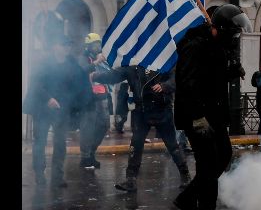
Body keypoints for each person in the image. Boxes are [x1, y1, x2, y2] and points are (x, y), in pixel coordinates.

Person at [173, 4, 252, 210]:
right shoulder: (194, 46)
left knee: (223, 156)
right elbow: (188, 85)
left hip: (214, 114)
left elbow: (211, 79)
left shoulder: (216, 45)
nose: (235, 37)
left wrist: (231, 72)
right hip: (197, 116)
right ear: (221, 28)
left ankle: (191, 201)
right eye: (233, 32)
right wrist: (198, 119)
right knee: (208, 162)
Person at [90, 65, 191, 192]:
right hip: (141, 109)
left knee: (172, 145)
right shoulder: (134, 64)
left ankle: (185, 176)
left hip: (162, 109)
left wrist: (165, 86)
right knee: (136, 144)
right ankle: (130, 180)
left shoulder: (164, 58)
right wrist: (96, 76)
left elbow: (177, 76)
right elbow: (115, 75)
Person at [23, 36, 92, 187]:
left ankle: (57, 176)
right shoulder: (44, 63)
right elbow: (35, 83)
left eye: (68, 45)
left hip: (61, 110)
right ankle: (40, 173)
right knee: (40, 142)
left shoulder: (71, 63)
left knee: (60, 143)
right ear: (55, 46)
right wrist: (48, 99)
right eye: (63, 45)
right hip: (42, 109)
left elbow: (80, 80)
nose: (66, 48)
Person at [78, 33, 113, 170]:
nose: (98, 46)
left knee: (104, 125)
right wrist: (96, 62)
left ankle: (92, 152)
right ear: (88, 46)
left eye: (99, 44)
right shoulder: (83, 59)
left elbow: (110, 73)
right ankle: (85, 157)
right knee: (87, 127)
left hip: (102, 97)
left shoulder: (101, 58)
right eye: (94, 44)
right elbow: (82, 71)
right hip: (88, 99)